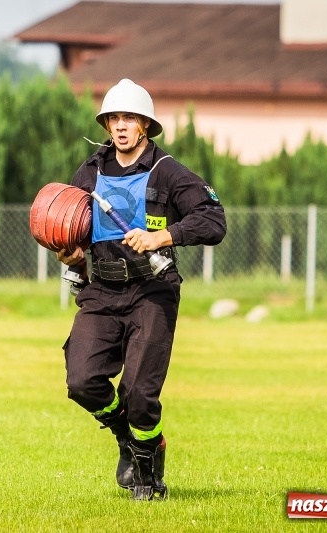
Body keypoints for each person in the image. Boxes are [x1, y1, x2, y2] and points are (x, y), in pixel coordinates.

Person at [56, 78, 226, 501]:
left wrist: (163, 236)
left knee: (138, 393)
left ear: (145, 125)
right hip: (102, 292)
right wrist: (72, 257)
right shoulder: (89, 172)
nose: (121, 125)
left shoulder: (168, 171)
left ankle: (150, 472)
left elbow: (214, 220)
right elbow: (74, 233)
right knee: (82, 381)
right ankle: (125, 439)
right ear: (107, 124)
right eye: (114, 117)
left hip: (153, 291)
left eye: (130, 117)